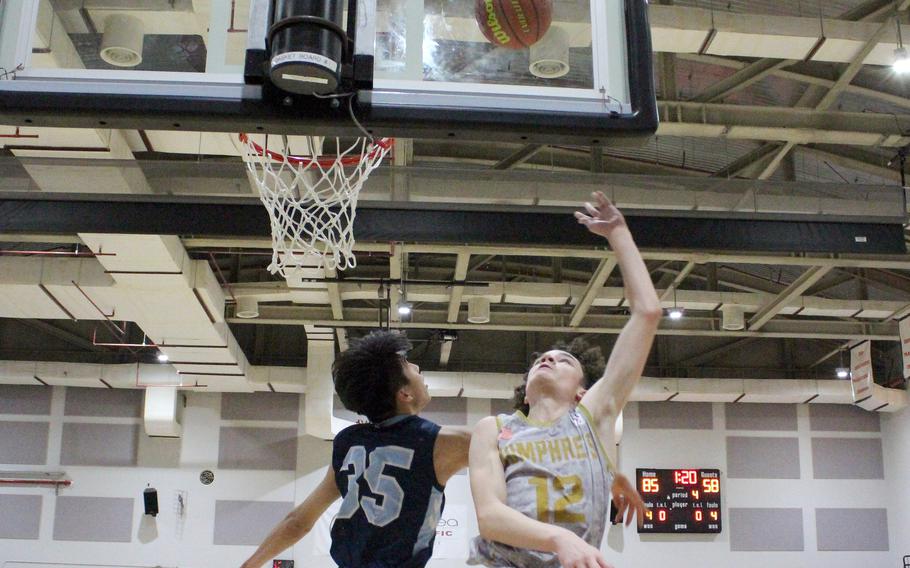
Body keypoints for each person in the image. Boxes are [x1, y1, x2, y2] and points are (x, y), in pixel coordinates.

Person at [468, 192, 661, 568]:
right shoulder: (494, 428)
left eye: (564, 359)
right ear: (525, 386)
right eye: (542, 358)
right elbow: (490, 517)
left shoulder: (593, 416)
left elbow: (648, 313)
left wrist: (619, 233)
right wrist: (559, 538)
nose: (549, 357)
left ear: (581, 391)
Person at [240, 331, 470, 568]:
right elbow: (507, 453)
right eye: (408, 366)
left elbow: (299, 521)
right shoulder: (442, 441)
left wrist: (250, 565)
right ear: (405, 393)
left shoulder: (349, 441)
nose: (416, 366)